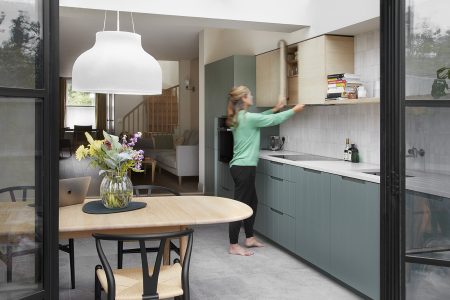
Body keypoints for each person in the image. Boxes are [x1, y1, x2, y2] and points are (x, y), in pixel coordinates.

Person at [226, 85, 305, 256]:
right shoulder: (248, 118)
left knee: (252, 203)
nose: (252, 96)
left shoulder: (240, 117)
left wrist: (275, 108)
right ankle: (233, 245)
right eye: (250, 95)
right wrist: (294, 111)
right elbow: (272, 121)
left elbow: (261, 116)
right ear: (244, 99)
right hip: (244, 168)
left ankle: (249, 238)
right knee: (240, 207)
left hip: (240, 167)